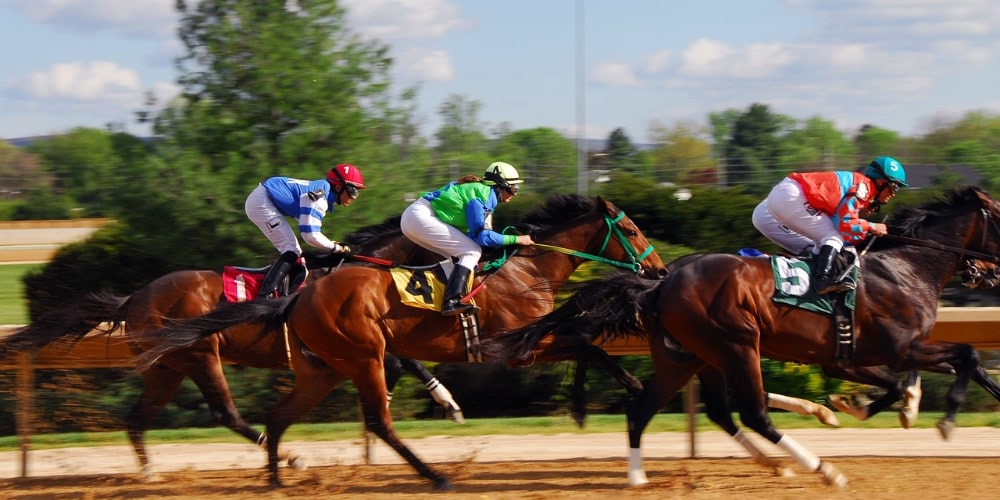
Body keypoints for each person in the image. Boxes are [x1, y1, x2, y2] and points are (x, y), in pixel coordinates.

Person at [751, 156, 908, 295]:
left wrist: (863, 224)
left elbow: (843, 223)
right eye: (894, 187)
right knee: (833, 236)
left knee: (819, 244)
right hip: (789, 197)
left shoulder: (859, 185)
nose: (894, 193)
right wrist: (872, 226)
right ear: (881, 182)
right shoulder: (864, 187)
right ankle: (822, 281)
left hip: (771, 205)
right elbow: (845, 224)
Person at [400, 161, 535, 316]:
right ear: (500, 185)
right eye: (513, 189)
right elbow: (482, 237)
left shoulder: (484, 194)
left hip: (414, 219)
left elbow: (475, 234)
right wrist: (517, 240)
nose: (515, 194)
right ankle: (451, 302)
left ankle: (440, 298)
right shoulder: (482, 196)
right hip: (420, 217)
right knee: (472, 252)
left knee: (457, 258)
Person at [245, 163, 365, 299]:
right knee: (291, 250)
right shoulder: (319, 197)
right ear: (338, 187)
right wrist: (336, 248)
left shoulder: (323, 191)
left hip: (263, 199)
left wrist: (331, 244)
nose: (354, 197)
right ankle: (265, 296)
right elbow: (310, 236)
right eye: (353, 191)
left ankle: (277, 292)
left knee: (294, 252)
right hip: (261, 202)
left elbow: (309, 231)